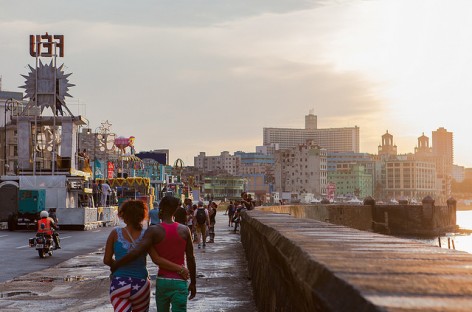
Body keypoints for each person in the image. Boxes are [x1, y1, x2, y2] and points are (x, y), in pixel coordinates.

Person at [111, 196, 196, 311]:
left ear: (161, 208)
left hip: (163, 282)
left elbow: (136, 252)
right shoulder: (185, 230)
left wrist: (117, 264)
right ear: (175, 209)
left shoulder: (154, 231)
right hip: (180, 281)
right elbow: (191, 258)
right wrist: (193, 283)